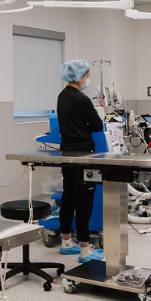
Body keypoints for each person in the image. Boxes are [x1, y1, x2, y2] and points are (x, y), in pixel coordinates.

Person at [57, 59, 105, 263]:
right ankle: (85, 249)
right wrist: (87, 123)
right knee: (84, 200)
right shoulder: (81, 99)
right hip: (84, 154)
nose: (87, 79)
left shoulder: (62, 96)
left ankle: (66, 241)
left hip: (67, 153)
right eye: (86, 75)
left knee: (68, 196)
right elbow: (98, 126)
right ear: (79, 76)